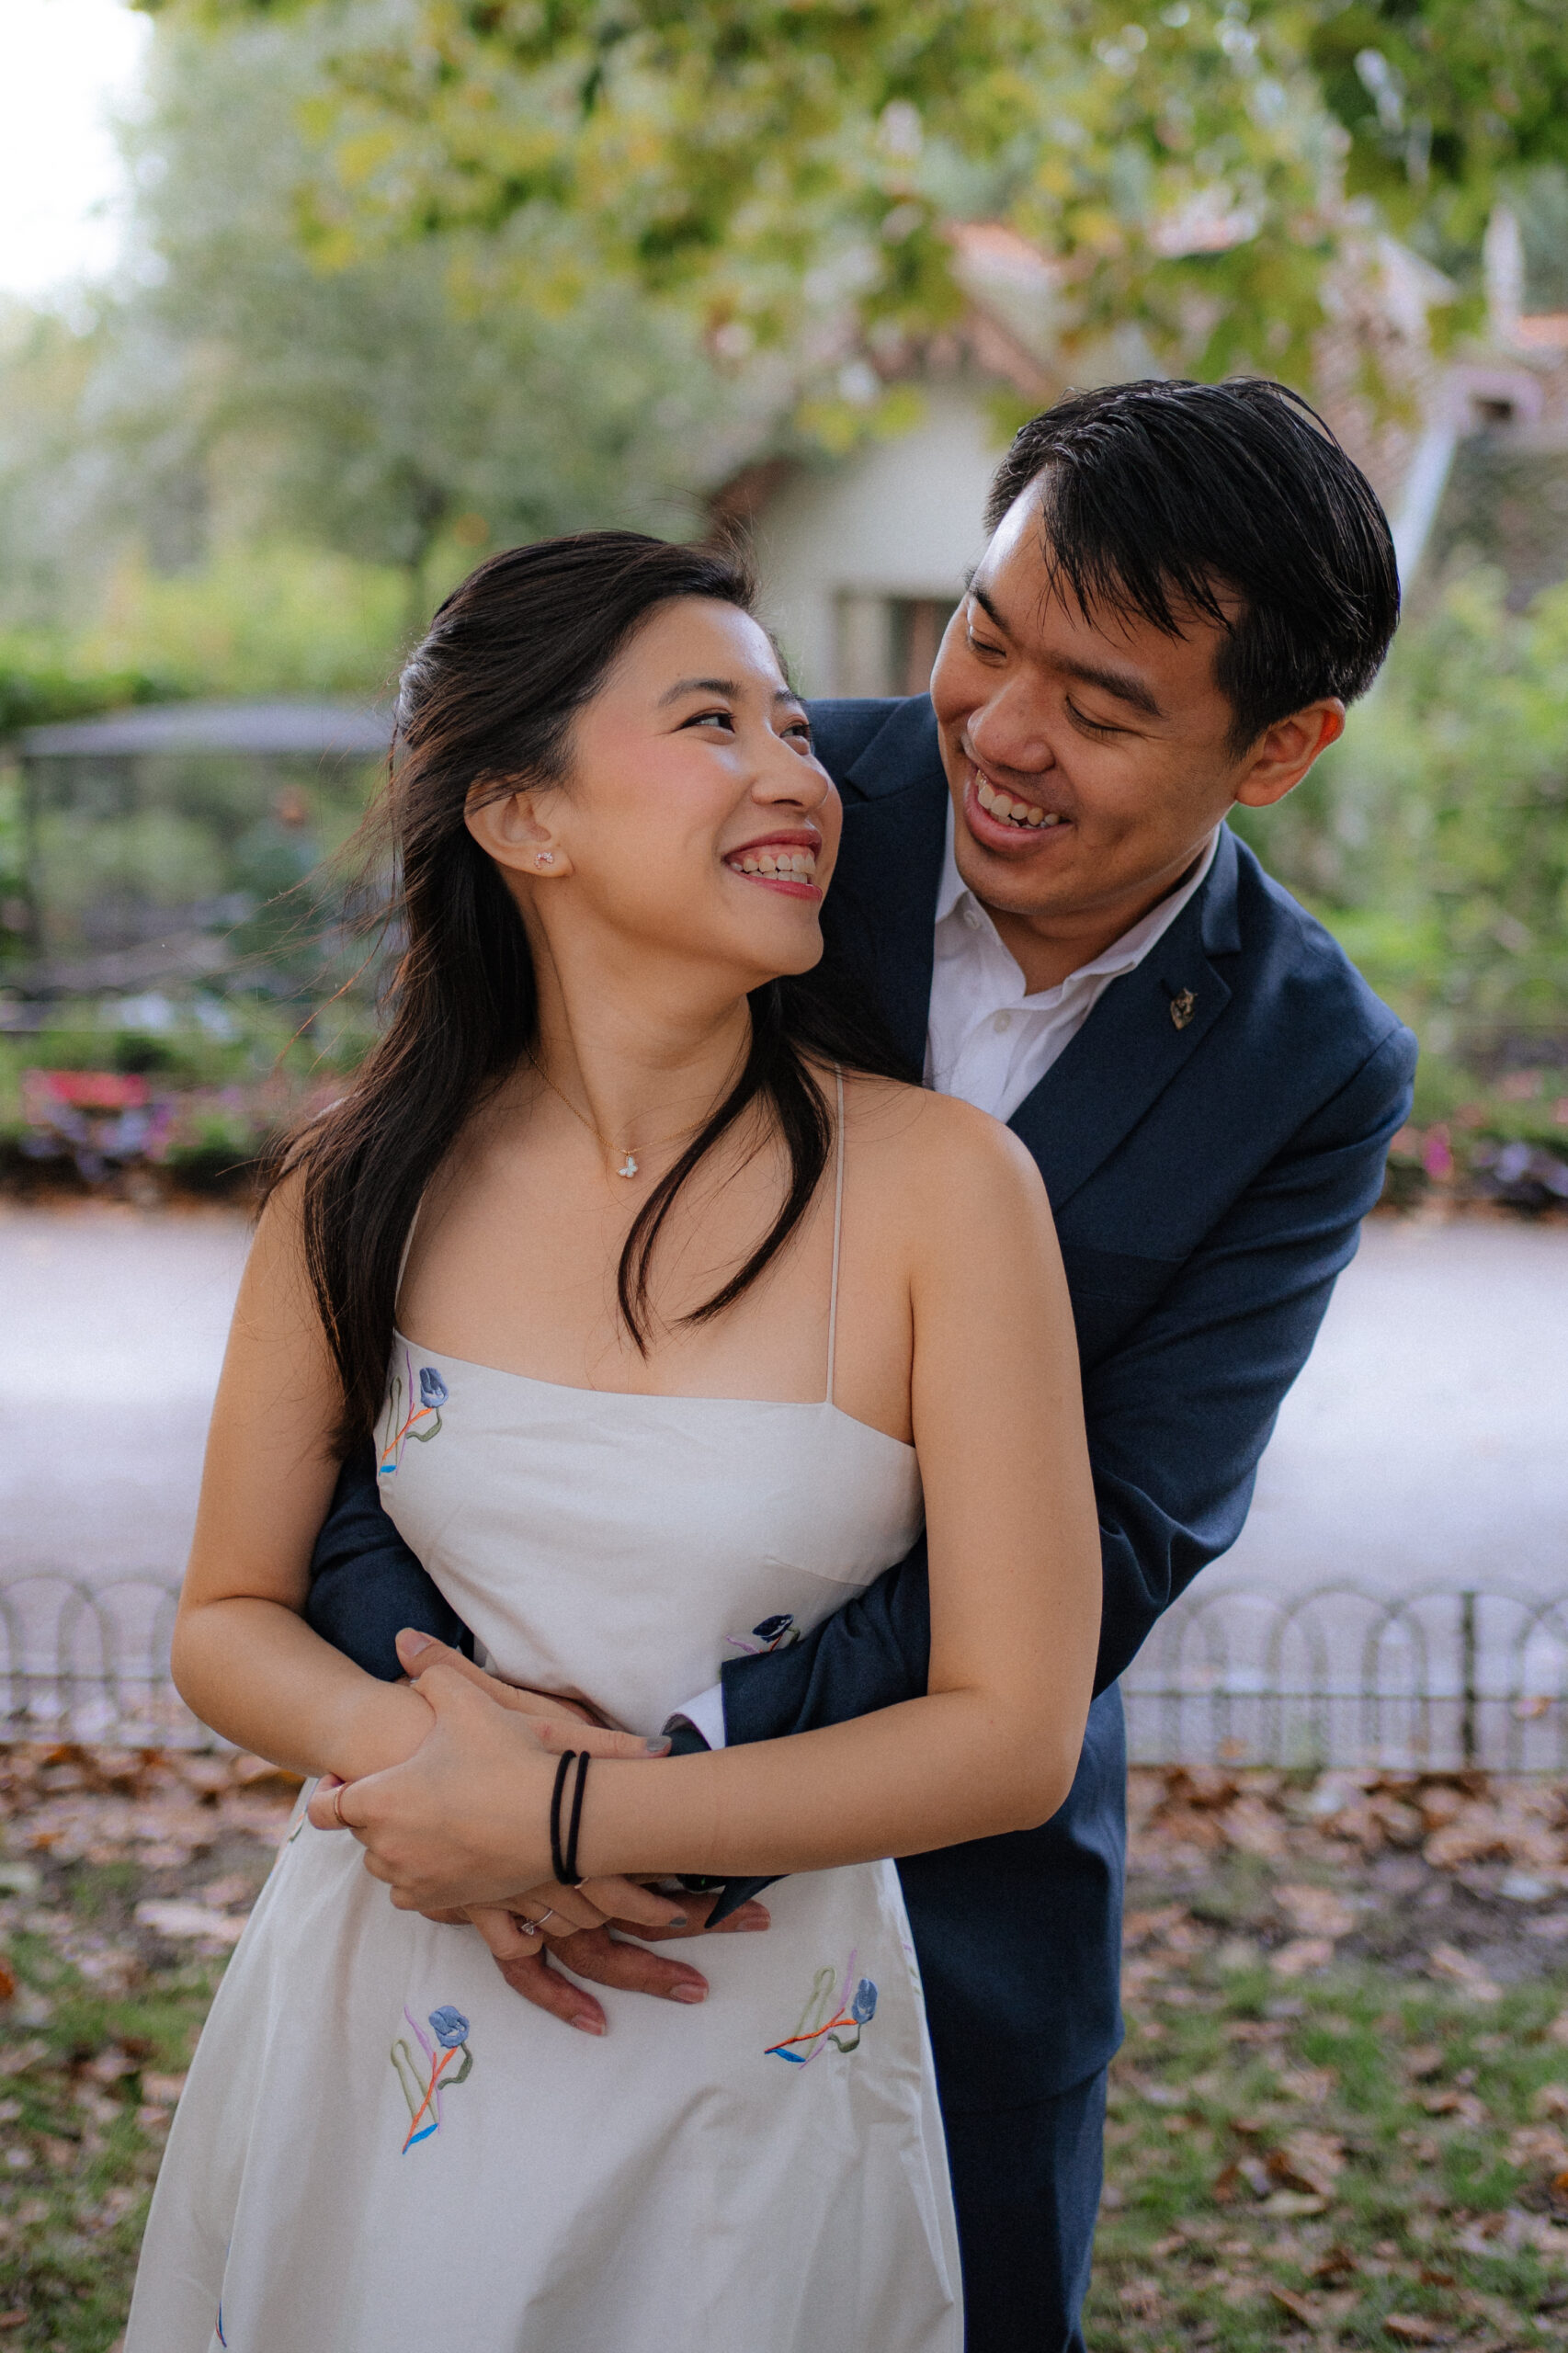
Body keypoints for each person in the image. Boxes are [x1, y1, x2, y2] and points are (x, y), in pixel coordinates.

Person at [302, 377, 1419, 2352]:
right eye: (984, 630)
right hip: (460, 1853)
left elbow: (1125, 1525)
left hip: (948, 1908)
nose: (998, 727)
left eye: (1101, 703)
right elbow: (396, 1311)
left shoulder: (1310, 1062)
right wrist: (456, 1742)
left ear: (1282, 747)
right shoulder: (749, 811)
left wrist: (643, 1787)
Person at [124, 530, 1103, 2352]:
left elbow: (1013, 1730)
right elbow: (229, 1612)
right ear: (523, 815)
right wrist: (426, 1767)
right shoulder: (357, 1185)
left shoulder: (944, 1192)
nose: (797, 774)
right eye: (711, 718)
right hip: (392, 1972)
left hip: (758, 2023)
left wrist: (569, 1813)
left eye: (796, 727)